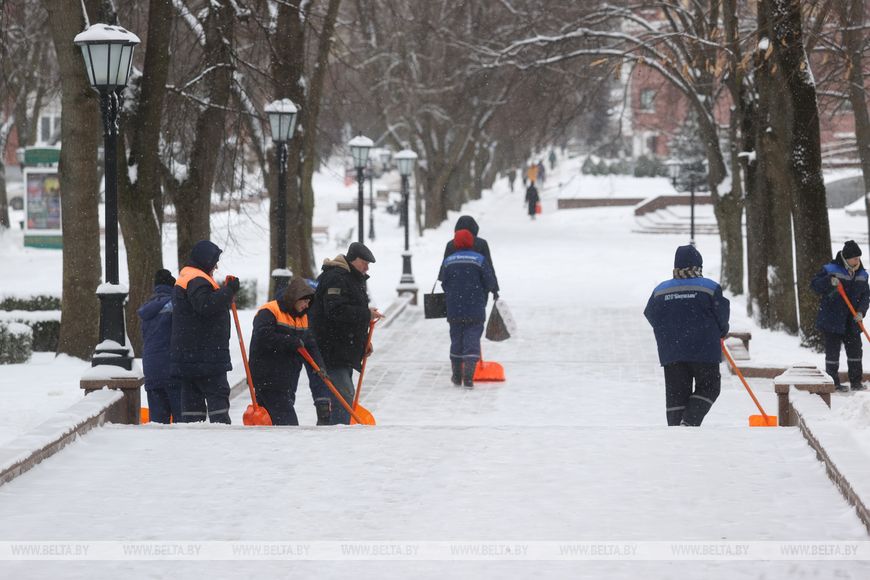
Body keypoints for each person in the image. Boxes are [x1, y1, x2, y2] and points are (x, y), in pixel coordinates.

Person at [644, 245, 730, 426]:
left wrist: (669, 331)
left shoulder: (661, 290)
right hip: (704, 350)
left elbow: (650, 314)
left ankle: (677, 431)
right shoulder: (710, 287)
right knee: (709, 387)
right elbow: (722, 315)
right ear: (699, 265)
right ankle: (689, 422)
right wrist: (721, 331)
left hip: (672, 351)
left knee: (676, 394)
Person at [310, 242, 383, 424]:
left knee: (342, 394)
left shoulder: (352, 278)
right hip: (332, 348)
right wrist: (366, 313)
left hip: (344, 347)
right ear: (353, 260)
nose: (367, 267)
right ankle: (339, 432)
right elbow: (335, 311)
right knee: (344, 394)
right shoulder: (336, 278)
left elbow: (351, 314)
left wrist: (364, 341)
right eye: (364, 262)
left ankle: (335, 428)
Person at [171, 240, 239, 424]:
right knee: (219, 408)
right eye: (214, 261)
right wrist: (228, 291)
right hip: (206, 357)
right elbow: (206, 305)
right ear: (206, 261)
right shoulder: (196, 279)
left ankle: (194, 445)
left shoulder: (187, 277)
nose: (216, 266)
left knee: (192, 413)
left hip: (192, 357)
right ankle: (220, 441)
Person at [249, 277, 332, 425]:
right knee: (288, 423)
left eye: (309, 302)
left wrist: (319, 367)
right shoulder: (270, 311)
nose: (307, 306)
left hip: (288, 377)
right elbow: (263, 337)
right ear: (295, 298)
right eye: (305, 301)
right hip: (268, 376)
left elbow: (310, 344)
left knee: (271, 421)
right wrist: (290, 341)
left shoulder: (302, 317)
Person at [440, 228, 498, 388]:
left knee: (456, 338)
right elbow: (490, 282)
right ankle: (469, 376)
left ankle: (457, 375)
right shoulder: (479, 260)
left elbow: (444, 284)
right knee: (472, 338)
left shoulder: (449, 261)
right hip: (475, 307)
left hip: (454, 308)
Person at [810, 240, 869, 392]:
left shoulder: (862, 274)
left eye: (859, 258)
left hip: (852, 320)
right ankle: (833, 383)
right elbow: (814, 285)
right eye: (855, 258)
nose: (858, 261)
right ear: (847, 258)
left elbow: (865, 296)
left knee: (855, 352)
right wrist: (829, 281)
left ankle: (856, 382)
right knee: (832, 353)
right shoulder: (830, 269)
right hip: (832, 318)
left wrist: (861, 312)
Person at [138, 268, 181, 424]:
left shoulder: (148, 308)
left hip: (151, 369)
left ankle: (157, 447)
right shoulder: (175, 305)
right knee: (181, 424)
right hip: (172, 368)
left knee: (157, 424)